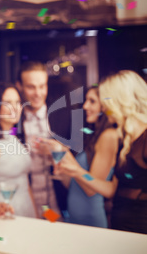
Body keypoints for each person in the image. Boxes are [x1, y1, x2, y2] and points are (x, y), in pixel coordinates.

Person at [56, 70, 147, 234]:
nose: (103, 107)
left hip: (140, 229)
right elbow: (112, 190)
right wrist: (74, 170)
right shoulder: (124, 139)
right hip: (119, 228)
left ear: (120, 100)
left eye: (105, 100)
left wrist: (75, 169)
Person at [50, 86, 119, 227]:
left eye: (92, 101)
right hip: (74, 219)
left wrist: (64, 153)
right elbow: (73, 185)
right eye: (86, 101)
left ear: (105, 106)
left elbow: (90, 189)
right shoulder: (93, 137)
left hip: (90, 220)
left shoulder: (109, 136)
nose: (86, 106)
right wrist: (60, 165)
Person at [15, 61, 68, 218]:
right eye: (31, 87)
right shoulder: (14, 121)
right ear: (20, 86)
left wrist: (60, 151)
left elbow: (79, 157)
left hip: (59, 199)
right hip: (26, 201)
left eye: (42, 86)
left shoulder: (64, 116)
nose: (38, 93)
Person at [0, 82, 37, 217]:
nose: (15, 108)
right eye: (8, 103)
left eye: (17, 102)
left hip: (27, 209)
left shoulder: (17, 138)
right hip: (5, 211)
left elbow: (26, 183)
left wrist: (36, 214)